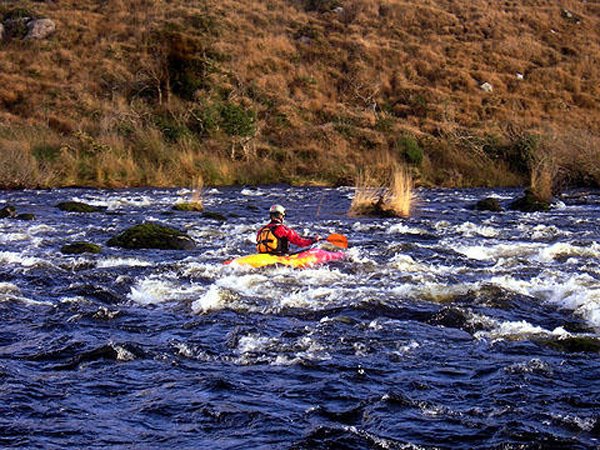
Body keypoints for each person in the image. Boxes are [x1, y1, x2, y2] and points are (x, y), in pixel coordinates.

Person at [256, 204, 321, 255]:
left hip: (263, 255)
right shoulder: (282, 229)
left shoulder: (261, 230)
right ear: (281, 216)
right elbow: (299, 242)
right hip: (280, 256)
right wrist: (313, 241)